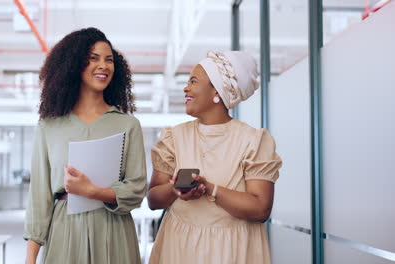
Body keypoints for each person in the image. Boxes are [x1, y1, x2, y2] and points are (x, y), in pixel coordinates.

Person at [24, 27, 147, 264]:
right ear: (73, 64)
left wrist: (93, 192)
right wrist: (30, 258)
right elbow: (39, 197)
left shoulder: (128, 124)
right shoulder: (49, 126)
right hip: (64, 230)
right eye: (94, 58)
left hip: (114, 230)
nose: (104, 66)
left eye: (109, 60)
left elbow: (136, 189)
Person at [148, 51, 282, 264]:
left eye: (193, 81)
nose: (186, 88)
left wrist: (209, 188)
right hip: (179, 246)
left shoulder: (254, 141)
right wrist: (175, 189)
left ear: (217, 91)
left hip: (232, 251)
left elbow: (260, 208)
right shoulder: (173, 137)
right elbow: (153, 200)